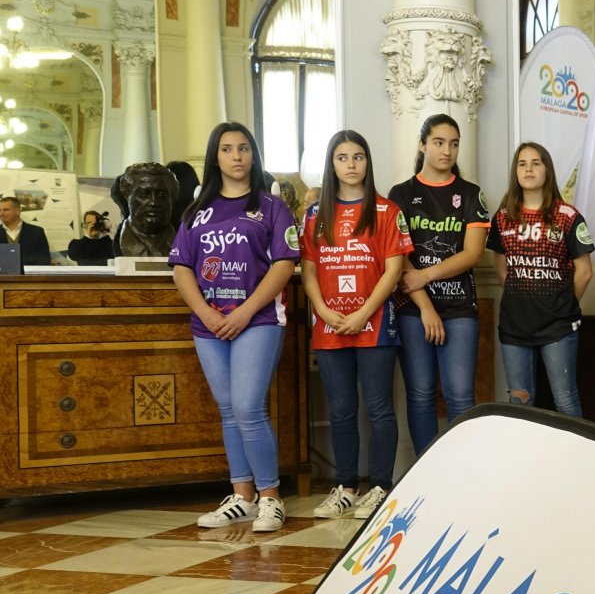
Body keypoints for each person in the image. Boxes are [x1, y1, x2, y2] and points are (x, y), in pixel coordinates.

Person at [168, 122, 300, 532]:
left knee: (248, 407)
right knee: (229, 411)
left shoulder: (272, 207)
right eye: (227, 149)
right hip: (209, 325)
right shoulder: (196, 212)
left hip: (258, 320)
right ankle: (241, 496)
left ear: (253, 155)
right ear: (216, 157)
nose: (237, 156)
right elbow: (181, 268)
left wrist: (244, 311)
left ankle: (270, 498)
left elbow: (284, 264)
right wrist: (206, 313)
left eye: (244, 148)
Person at [303, 130, 412, 521]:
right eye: (342, 157)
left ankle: (380, 486)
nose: (351, 164)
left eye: (358, 157)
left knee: (380, 409)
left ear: (368, 162)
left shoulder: (386, 211)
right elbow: (309, 269)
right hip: (329, 325)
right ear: (332, 165)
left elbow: (394, 268)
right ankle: (345, 487)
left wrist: (364, 312)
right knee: (342, 409)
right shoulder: (315, 215)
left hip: (375, 324)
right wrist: (321, 309)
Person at [387, 114, 489, 455]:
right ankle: (426, 473)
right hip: (414, 309)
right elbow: (399, 258)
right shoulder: (401, 194)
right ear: (422, 144)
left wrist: (426, 275)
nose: (447, 150)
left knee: (460, 394)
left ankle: (460, 473)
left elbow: (473, 254)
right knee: (420, 393)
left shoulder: (471, 194)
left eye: (454, 143)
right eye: (439, 142)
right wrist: (427, 307)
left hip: (460, 307)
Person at [488, 142, 594, 417]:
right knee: (520, 404)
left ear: (547, 169)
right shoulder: (502, 218)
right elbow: (502, 271)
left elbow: (584, 271)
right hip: (515, 325)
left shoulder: (568, 216)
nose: (529, 169)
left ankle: (575, 460)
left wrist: (562, 304)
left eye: (536, 162)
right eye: (522, 164)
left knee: (565, 400)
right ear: (515, 172)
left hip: (557, 326)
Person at [113, 163, 180, 257]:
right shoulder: (116, 243)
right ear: (127, 196)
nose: (153, 202)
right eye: (144, 194)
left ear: (172, 199)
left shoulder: (183, 242)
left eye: (161, 195)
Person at [0, 196, 51, 266]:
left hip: (29, 276)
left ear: (17, 211)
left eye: (5, 210)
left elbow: (44, 260)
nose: (1, 214)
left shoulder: (36, 232)